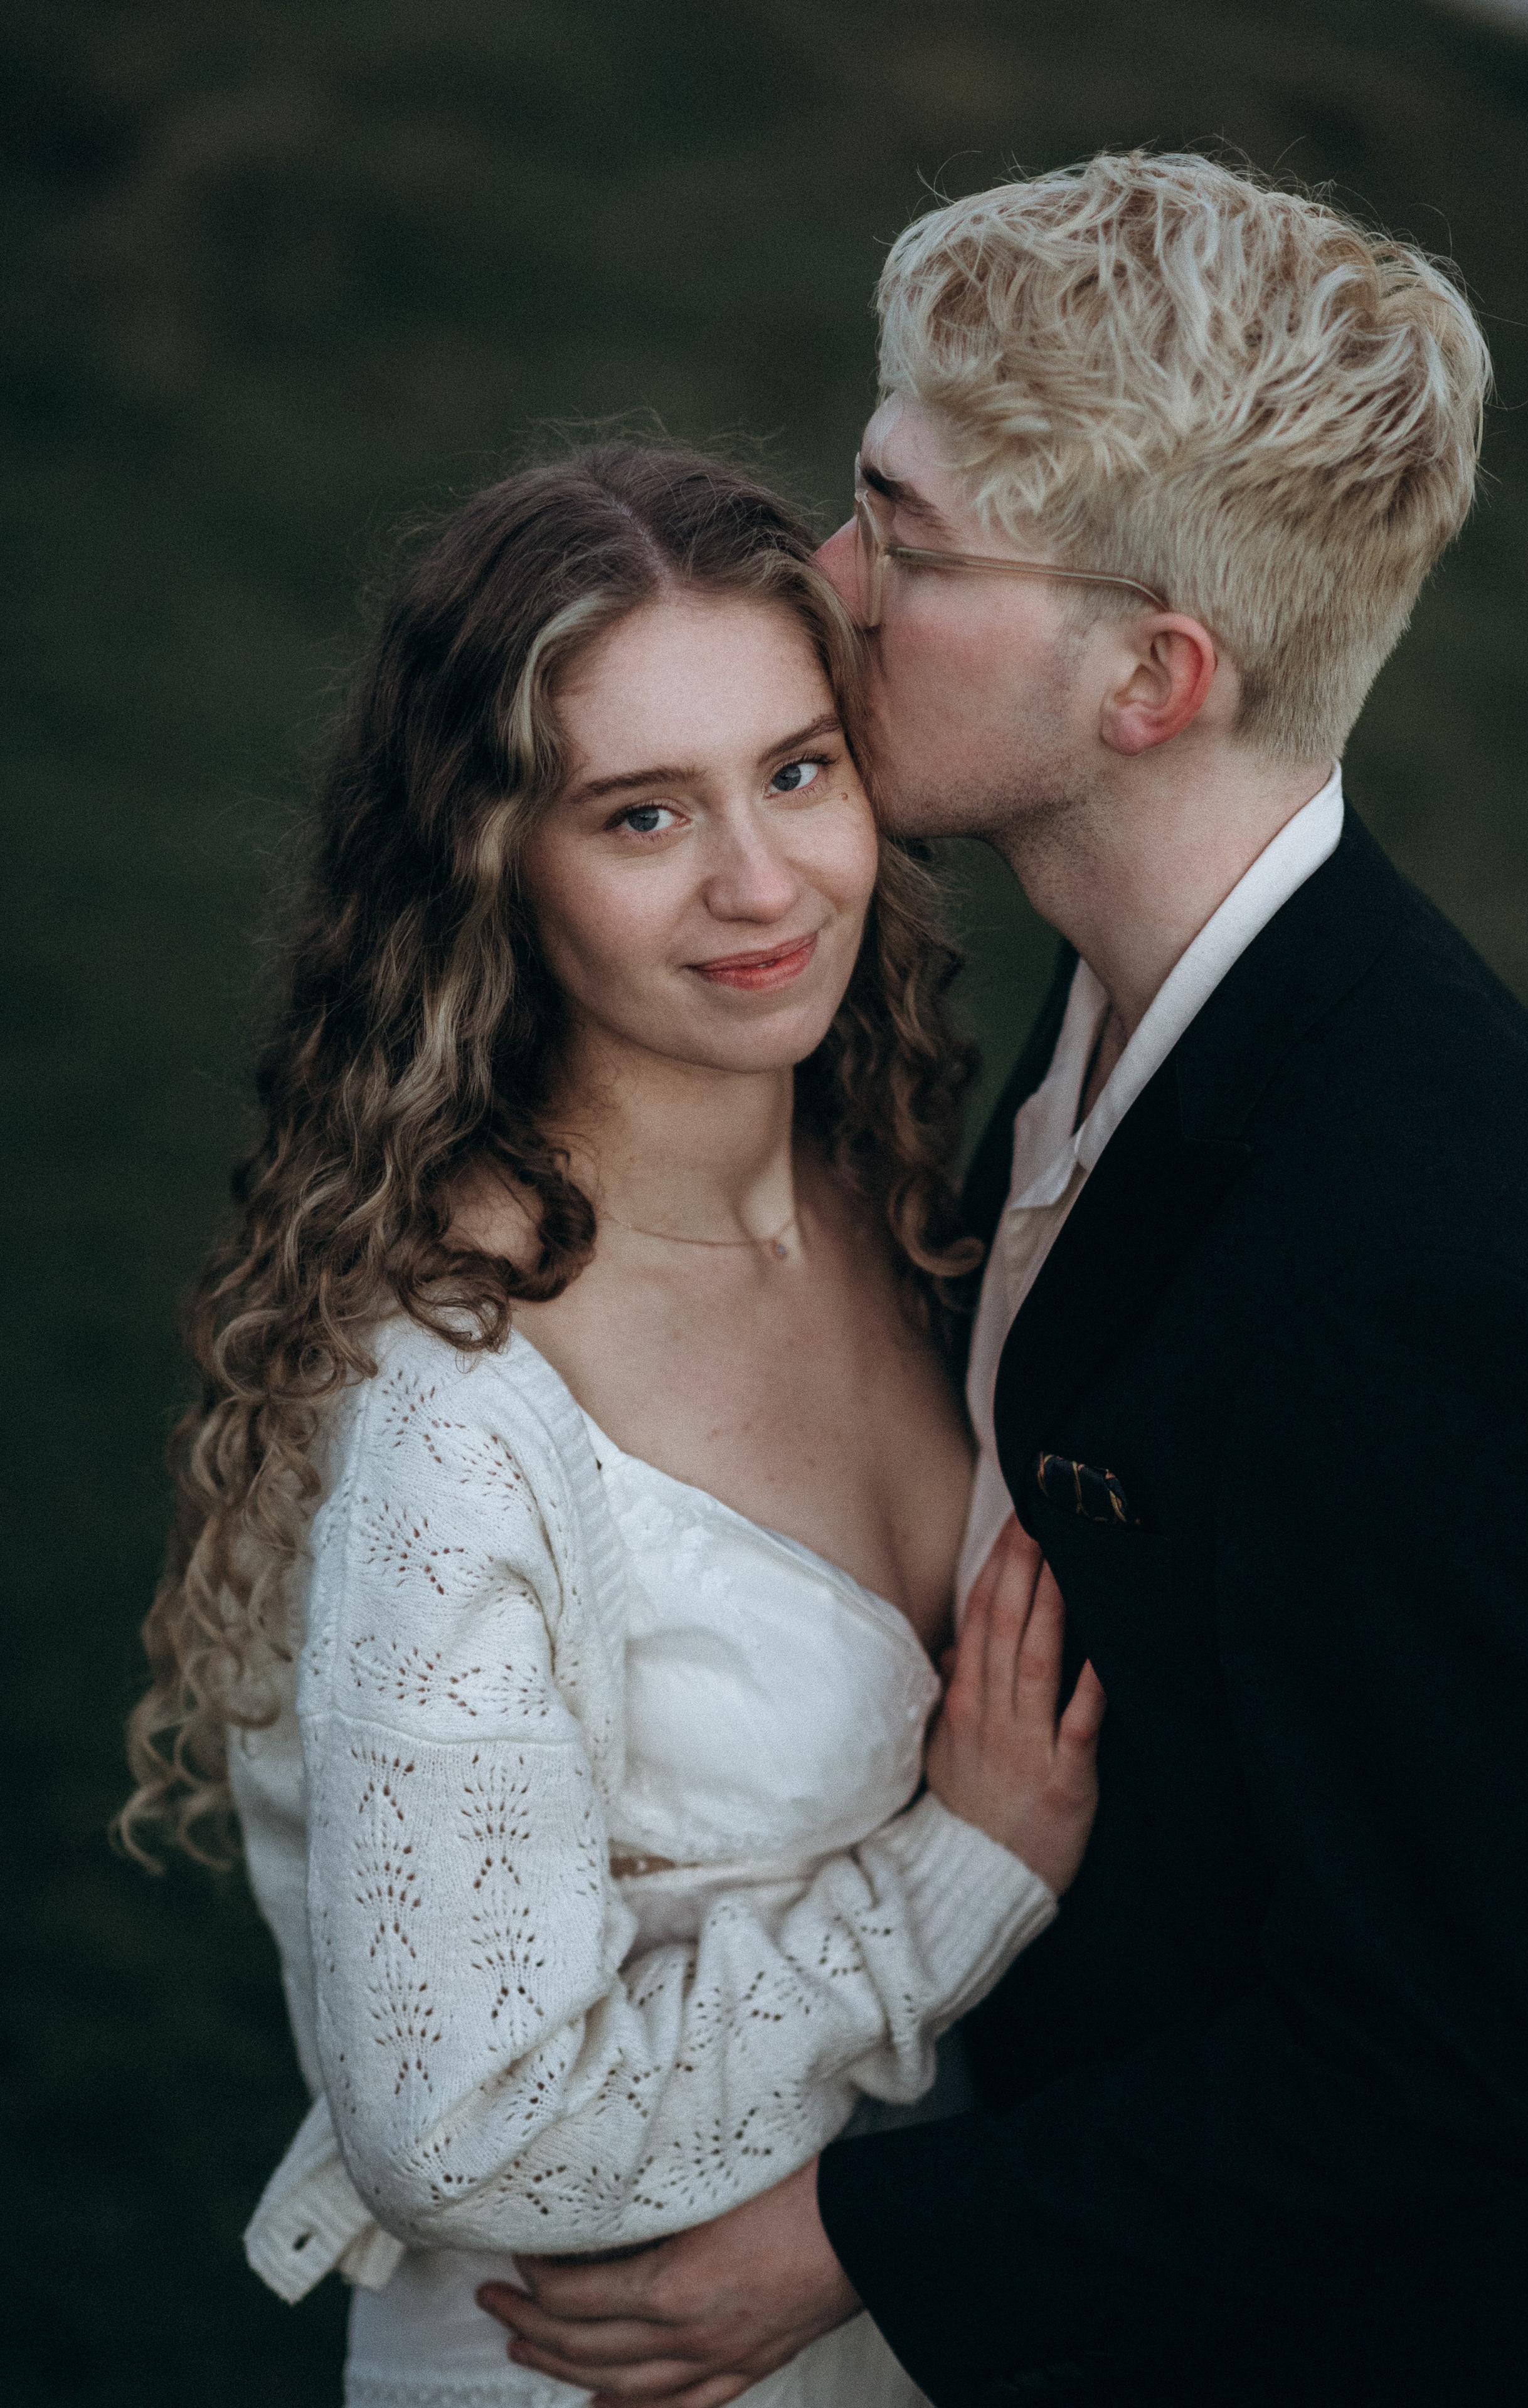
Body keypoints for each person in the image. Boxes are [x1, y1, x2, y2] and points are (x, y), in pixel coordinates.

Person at [484, 154, 1528, 2407]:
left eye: (907, 531)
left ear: (1153, 678)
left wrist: (857, 2239)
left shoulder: (1416, 1241)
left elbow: (1465, 2042)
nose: (830, 575)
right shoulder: (1123, 1002)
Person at [121, 444, 1110, 2408]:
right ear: (492, 863)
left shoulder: (884, 1196)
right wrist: (958, 1880)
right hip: (596, 2372)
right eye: (642, 813)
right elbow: (457, 2127)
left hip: (905, 2329)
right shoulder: (461, 1410)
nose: (760, 884)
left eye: (799, 771)